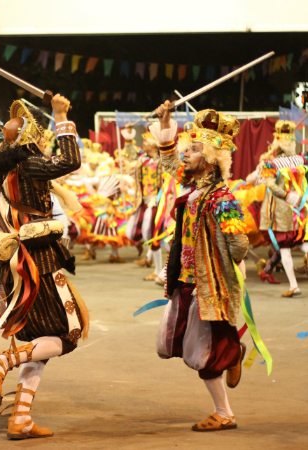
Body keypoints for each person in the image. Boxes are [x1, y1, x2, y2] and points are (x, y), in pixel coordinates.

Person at [0, 95, 89, 440]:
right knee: (69, 334)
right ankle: (1, 362)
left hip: (13, 268)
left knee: (40, 342)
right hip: (37, 265)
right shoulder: (31, 165)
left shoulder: (6, 173)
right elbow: (71, 159)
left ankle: (21, 418)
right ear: (34, 139)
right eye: (41, 137)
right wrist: (62, 116)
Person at [152, 101, 249, 432]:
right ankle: (234, 353)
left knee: (204, 355)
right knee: (175, 344)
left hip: (209, 287)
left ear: (210, 159)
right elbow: (168, 162)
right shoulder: (195, 189)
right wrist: (165, 120)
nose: (186, 154)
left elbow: (240, 244)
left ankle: (224, 413)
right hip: (186, 282)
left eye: (193, 149)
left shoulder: (222, 199)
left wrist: (224, 272)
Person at [247, 120, 303, 296]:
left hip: (280, 210)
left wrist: (286, 196)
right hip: (301, 208)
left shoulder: (272, 164)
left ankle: (293, 285)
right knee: (300, 243)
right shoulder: (301, 159)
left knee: (284, 247)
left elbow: (255, 181)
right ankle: (270, 270)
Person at [125, 125, 165, 283]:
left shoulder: (162, 161)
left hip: (157, 200)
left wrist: (160, 197)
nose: (144, 145)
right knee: (137, 231)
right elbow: (129, 152)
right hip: (143, 200)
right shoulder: (142, 159)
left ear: (154, 145)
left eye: (146, 142)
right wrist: (129, 134)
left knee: (152, 232)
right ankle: (151, 260)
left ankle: (158, 269)